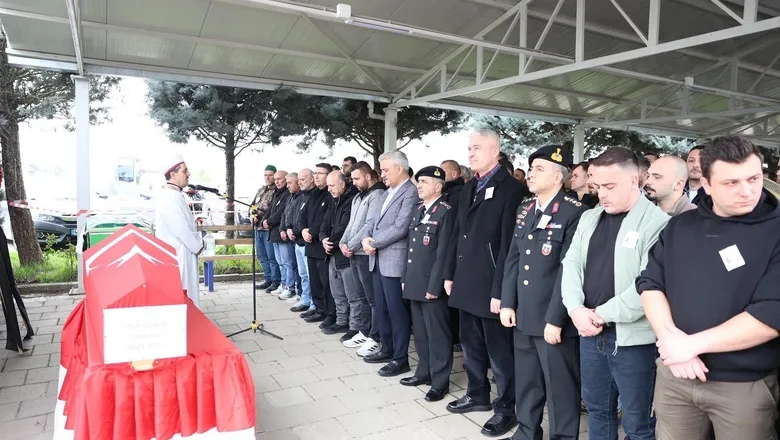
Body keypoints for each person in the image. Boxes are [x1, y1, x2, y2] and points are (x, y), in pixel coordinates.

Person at [638, 136, 780, 440]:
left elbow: (771, 315)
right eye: (731, 182)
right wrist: (671, 339)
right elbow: (650, 284)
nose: (747, 191)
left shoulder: (775, 232)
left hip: (742, 386)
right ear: (707, 183)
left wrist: (692, 345)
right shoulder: (681, 226)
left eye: (754, 178)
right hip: (675, 375)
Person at [560, 147, 669, 440]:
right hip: (590, 333)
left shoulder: (658, 224)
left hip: (633, 340)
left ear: (634, 180)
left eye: (610, 186)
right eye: (597, 187)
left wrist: (598, 314)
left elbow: (649, 286)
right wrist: (575, 309)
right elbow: (570, 265)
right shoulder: (590, 219)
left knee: (637, 424)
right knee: (598, 412)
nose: (602, 194)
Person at [443, 129, 529, 438]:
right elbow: (457, 233)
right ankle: (477, 393)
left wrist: (500, 293)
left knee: (500, 353)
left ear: (495, 151)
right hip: (466, 280)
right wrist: (449, 273)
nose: (471, 153)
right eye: (469, 148)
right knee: (470, 345)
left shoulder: (511, 189)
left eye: (477, 148)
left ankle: (506, 408)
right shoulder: (470, 186)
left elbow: (509, 246)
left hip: (491, 285)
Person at [500, 145, 587, 440]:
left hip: (553, 317)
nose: (531, 174)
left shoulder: (576, 213)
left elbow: (569, 270)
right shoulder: (526, 208)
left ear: (558, 177)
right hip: (524, 312)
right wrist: (508, 303)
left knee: (560, 385)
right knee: (527, 380)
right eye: (531, 167)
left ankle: (563, 436)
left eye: (539, 169)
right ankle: (527, 430)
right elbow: (513, 257)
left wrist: (556, 319)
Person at [400, 166, 456, 402]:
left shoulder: (446, 212)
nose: (419, 185)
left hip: (431, 285)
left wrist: (435, 286)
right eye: (418, 181)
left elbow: (444, 252)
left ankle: (440, 381)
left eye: (423, 181)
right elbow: (410, 248)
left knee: (438, 335)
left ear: (438, 185)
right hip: (414, 281)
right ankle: (424, 371)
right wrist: (404, 278)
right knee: (421, 333)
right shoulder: (419, 210)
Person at [361, 150, 419, 377]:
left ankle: (400, 358)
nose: (382, 174)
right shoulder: (387, 193)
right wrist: (366, 238)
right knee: (382, 310)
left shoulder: (410, 192)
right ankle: (387, 348)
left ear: (399, 168)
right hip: (377, 258)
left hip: (393, 261)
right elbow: (373, 220)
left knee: (397, 313)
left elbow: (401, 227)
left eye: (385, 170)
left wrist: (374, 242)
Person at [340, 162, 386, 356]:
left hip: (365, 254)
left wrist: (351, 245)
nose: (354, 182)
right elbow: (351, 224)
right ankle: (365, 331)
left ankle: (375, 337)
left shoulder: (377, 195)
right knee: (361, 297)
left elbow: (370, 224)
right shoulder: (358, 196)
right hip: (353, 253)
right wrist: (343, 242)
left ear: (368, 176)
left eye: (357, 178)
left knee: (372, 298)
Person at [155, 153, 204, 308]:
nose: (188, 174)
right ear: (172, 174)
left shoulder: (175, 194)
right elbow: (180, 229)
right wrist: (198, 245)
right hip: (179, 255)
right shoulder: (169, 197)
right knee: (184, 293)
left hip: (184, 252)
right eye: (184, 171)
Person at [320, 171, 358, 335]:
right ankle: (341, 321)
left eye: (332, 185)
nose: (329, 189)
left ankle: (354, 326)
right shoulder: (333, 200)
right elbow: (325, 223)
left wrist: (331, 242)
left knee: (353, 295)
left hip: (346, 253)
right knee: (337, 293)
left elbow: (344, 227)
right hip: (332, 253)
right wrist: (323, 239)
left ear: (342, 184)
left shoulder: (351, 200)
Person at [301, 163, 335, 324]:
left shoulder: (330, 195)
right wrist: (302, 230)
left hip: (322, 245)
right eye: (315, 173)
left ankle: (329, 313)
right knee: (314, 280)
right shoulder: (312, 194)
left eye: (320, 173)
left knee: (325, 283)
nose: (316, 176)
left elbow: (325, 220)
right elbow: (303, 215)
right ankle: (318, 309)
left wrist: (312, 232)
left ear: (329, 175)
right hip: (309, 244)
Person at [262, 171, 293, 297]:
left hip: (282, 233)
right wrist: (265, 219)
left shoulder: (286, 194)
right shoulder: (277, 193)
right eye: (275, 179)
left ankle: (289, 286)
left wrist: (269, 221)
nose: (276, 181)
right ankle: (283, 283)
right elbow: (270, 210)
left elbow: (281, 212)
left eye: (279, 179)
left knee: (287, 262)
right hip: (274, 233)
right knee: (280, 262)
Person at [251, 165, 281, 291]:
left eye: (270, 175)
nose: (267, 177)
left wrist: (259, 216)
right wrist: (252, 215)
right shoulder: (261, 190)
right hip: (258, 228)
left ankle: (275, 281)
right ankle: (267, 279)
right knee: (262, 256)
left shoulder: (277, 191)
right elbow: (253, 205)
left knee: (271, 257)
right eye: (265, 175)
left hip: (268, 229)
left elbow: (272, 209)